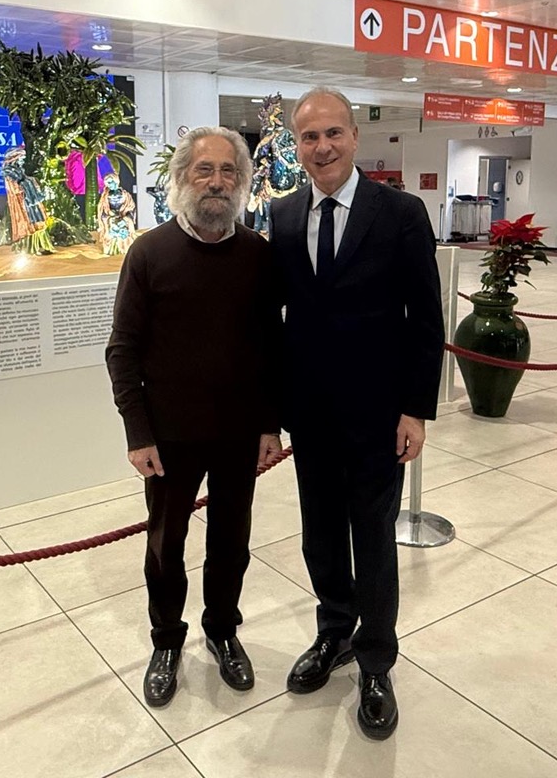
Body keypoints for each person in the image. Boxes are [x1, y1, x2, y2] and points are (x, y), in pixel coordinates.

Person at [269, 87, 444, 740]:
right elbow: (276, 323)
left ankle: (375, 661)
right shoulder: (284, 215)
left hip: (378, 415)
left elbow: (425, 319)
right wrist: (270, 414)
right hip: (310, 414)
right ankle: (334, 631)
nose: (322, 147)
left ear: (355, 136)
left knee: (372, 538)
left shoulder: (399, 212)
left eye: (333, 133)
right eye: (309, 137)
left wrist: (415, 410)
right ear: (296, 145)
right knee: (319, 534)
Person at [106, 126, 284, 709]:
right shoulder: (148, 253)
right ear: (182, 177)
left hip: (239, 434)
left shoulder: (258, 255)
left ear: (242, 182)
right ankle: (166, 641)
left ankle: (223, 631)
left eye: (228, 171)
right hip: (168, 438)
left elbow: (271, 347)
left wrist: (270, 424)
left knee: (232, 543)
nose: (216, 181)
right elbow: (122, 350)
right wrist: (138, 433)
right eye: (204, 169)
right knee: (166, 546)